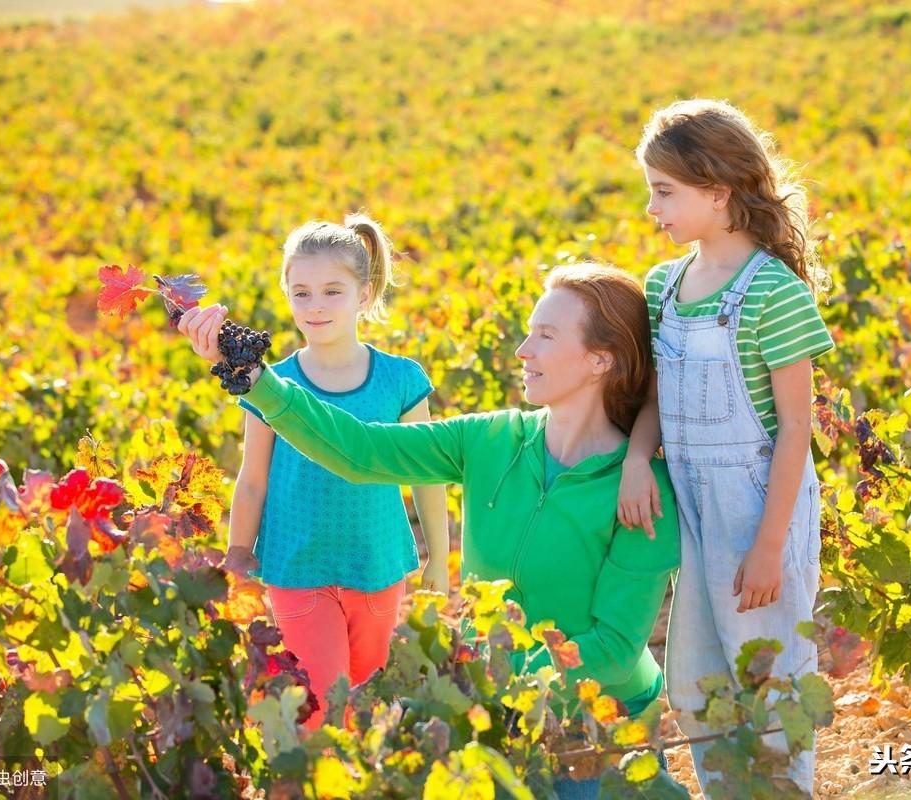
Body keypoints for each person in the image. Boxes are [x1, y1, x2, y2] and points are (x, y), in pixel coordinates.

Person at [180, 262, 681, 797]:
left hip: (599, 719)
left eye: (546, 335)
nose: (522, 351)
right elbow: (362, 451)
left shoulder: (641, 494)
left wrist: (477, 676)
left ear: (600, 359)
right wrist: (256, 380)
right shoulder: (492, 439)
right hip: (491, 705)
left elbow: (613, 651)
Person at [617, 98, 835, 794]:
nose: (652, 207)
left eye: (664, 191)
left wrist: (770, 544)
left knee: (770, 680)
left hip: (757, 510)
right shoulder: (663, 285)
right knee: (699, 682)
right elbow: (656, 398)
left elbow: (797, 429)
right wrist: (633, 459)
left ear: (718, 190)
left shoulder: (773, 291)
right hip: (693, 510)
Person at [225, 215, 449, 727]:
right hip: (296, 566)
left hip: (378, 565)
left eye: (332, 291)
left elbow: (427, 474)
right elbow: (253, 478)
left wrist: (438, 554)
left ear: (364, 294)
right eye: (301, 293)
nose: (316, 306)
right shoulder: (269, 384)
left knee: (368, 711)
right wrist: (238, 553)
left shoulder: (401, 379)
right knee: (322, 708)